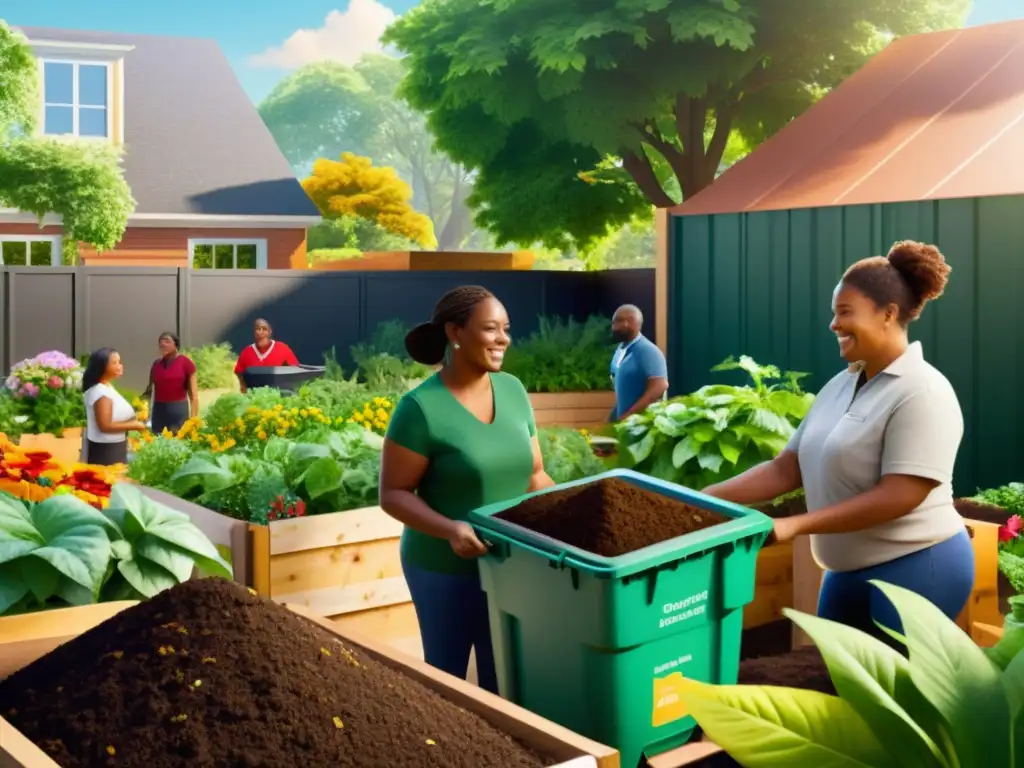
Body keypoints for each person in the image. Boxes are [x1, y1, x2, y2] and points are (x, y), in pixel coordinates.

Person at [703, 240, 972, 640]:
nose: (834, 324)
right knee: (831, 681)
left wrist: (796, 524)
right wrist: (706, 498)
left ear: (888, 314)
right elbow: (787, 467)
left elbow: (901, 493)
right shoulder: (840, 385)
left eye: (845, 312)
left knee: (891, 696)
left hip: (919, 564)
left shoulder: (923, 391)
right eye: (834, 313)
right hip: (846, 571)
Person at [379, 285, 555, 693]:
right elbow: (393, 494)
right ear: (455, 333)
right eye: (491, 329)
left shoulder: (512, 390)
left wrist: (571, 512)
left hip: (511, 566)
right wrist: (451, 530)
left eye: (506, 329)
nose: (503, 339)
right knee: (447, 683)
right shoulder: (420, 408)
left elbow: (534, 474)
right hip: (443, 567)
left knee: (505, 679)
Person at [82, 348, 148, 466]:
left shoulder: (106, 386)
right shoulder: (100, 393)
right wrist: (135, 425)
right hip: (106, 451)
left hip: (114, 446)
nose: (120, 366)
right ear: (102, 367)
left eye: (119, 362)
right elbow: (105, 426)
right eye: (115, 363)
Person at [608, 304, 668, 421]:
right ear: (612, 325)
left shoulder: (647, 351)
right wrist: (609, 422)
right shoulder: (620, 352)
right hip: (626, 426)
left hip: (645, 426)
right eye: (619, 320)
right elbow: (622, 395)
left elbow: (659, 386)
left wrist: (629, 416)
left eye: (630, 320)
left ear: (639, 324)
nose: (625, 324)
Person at [143, 332, 198, 434]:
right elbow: (149, 391)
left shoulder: (186, 363)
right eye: (160, 342)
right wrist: (144, 414)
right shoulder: (156, 364)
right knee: (158, 441)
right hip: (159, 411)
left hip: (178, 411)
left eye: (167, 341)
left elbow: (194, 396)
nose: (163, 344)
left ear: (176, 344)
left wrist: (193, 420)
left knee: (178, 442)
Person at [233, 318, 298, 393]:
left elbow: (294, 369)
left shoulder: (282, 348)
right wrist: (243, 386)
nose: (260, 332)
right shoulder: (247, 352)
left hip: (278, 394)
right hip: (255, 396)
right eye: (258, 329)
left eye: (264, 329)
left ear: (270, 332)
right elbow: (238, 371)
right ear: (254, 332)